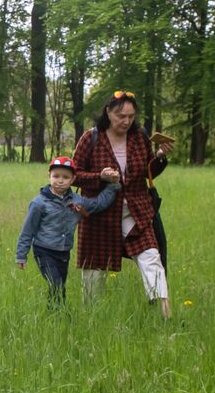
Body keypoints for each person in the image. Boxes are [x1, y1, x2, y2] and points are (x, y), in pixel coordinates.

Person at [71, 90, 174, 318]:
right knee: (94, 271)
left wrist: (160, 157)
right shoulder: (91, 138)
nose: (126, 121)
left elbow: (148, 172)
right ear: (108, 112)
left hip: (135, 211)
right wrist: (100, 176)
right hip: (99, 213)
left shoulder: (139, 137)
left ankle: (166, 315)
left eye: (130, 116)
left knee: (151, 257)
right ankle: (92, 319)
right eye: (121, 116)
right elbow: (74, 175)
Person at [16, 156, 120, 305]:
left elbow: (98, 204)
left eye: (65, 177)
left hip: (63, 252)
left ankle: (54, 314)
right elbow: (28, 230)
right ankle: (62, 314)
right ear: (49, 176)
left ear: (73, 180)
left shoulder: (77, 201)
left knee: (59, 286)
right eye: (56, 176)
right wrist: (21, 255)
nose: (60, 180)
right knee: (56, 284)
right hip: (43, 251)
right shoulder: (39, 203)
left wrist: (113, 186)